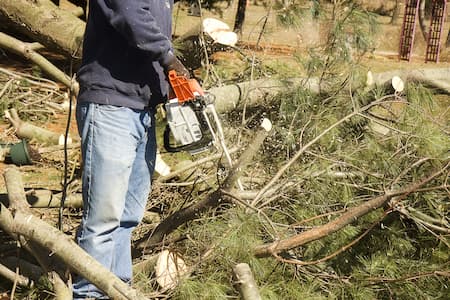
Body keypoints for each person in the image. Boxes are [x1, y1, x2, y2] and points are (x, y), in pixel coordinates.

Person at [73, 0, 189, 298]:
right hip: (111, 104)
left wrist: (173, 84)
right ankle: (89, 293)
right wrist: (170, 59)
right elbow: (130, 15)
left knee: (128, 214)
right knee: (103, 217)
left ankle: (117, 288)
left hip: (142, 108)